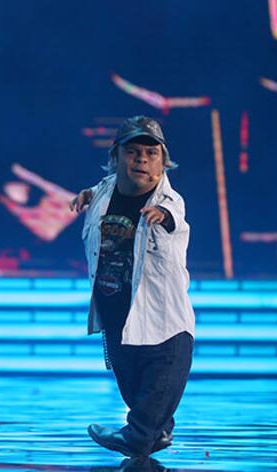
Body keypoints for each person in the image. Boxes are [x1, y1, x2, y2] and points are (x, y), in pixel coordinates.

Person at [70, 115, 195, 457]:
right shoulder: (105, 190)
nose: (142, 160)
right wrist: (86, 194)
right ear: (116, 157)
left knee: (159, 385)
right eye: (133, 152)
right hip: (116, 316)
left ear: (163, 162)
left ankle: (138, 435)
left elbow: (174, 217)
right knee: (134, 388)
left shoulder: (169, 201)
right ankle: (156, 432)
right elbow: (102, 187)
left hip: (163, 322)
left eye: (151, 154)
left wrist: (162, 216)